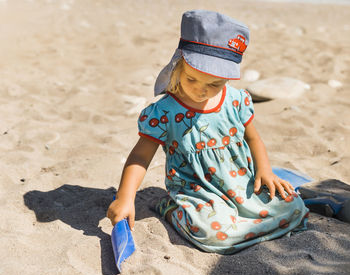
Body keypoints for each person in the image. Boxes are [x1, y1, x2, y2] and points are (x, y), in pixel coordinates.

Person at [107, 9, 309, 254]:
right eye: (192, 79)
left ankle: (245, 215)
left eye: (214, 84)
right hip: (197, 191)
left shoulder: (236, 100)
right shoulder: (164, 112)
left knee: (294, 206)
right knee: (214, 233)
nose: (201, 91)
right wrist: (125, 198)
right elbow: (140, 157)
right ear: (179, 65)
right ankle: (170, 209)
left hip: (241, 183)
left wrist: (265, 171)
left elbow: (253, 138)